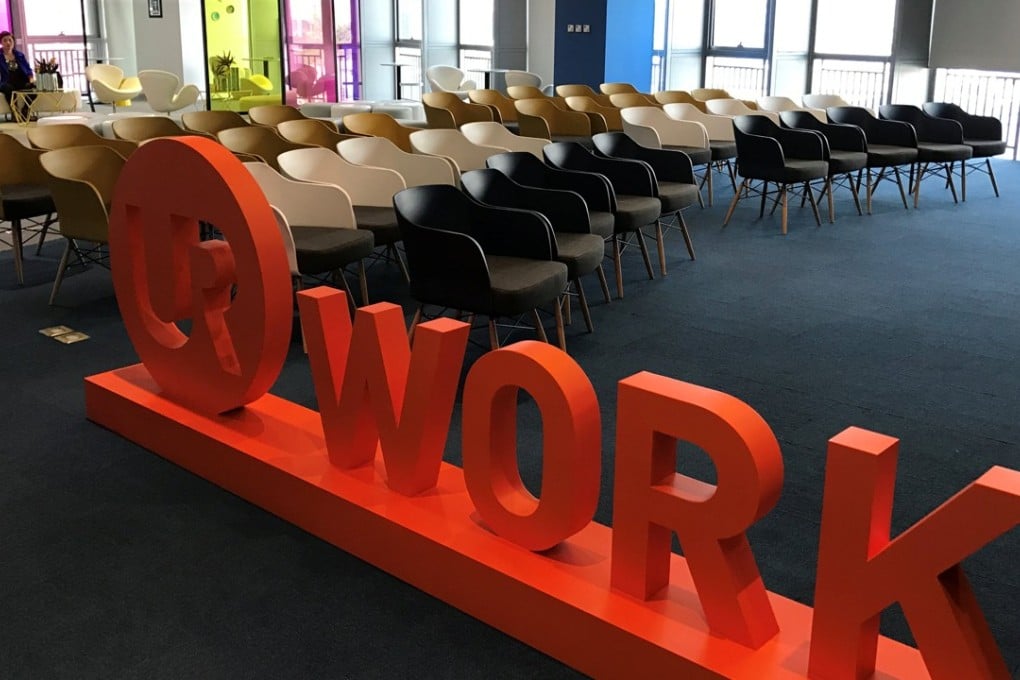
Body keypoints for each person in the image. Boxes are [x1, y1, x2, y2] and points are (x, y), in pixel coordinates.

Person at [0, 31, 35, 120]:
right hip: (6, 81)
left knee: (33, 88)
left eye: (10, 40)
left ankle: (25, 111)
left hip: (21, 80)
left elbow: (28, 69)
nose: (8, 43)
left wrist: (31, 78)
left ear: (13, 42)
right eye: (5, 40)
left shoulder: (20, 55)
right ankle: (15, 113)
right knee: (8, 88)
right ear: (1, 43)